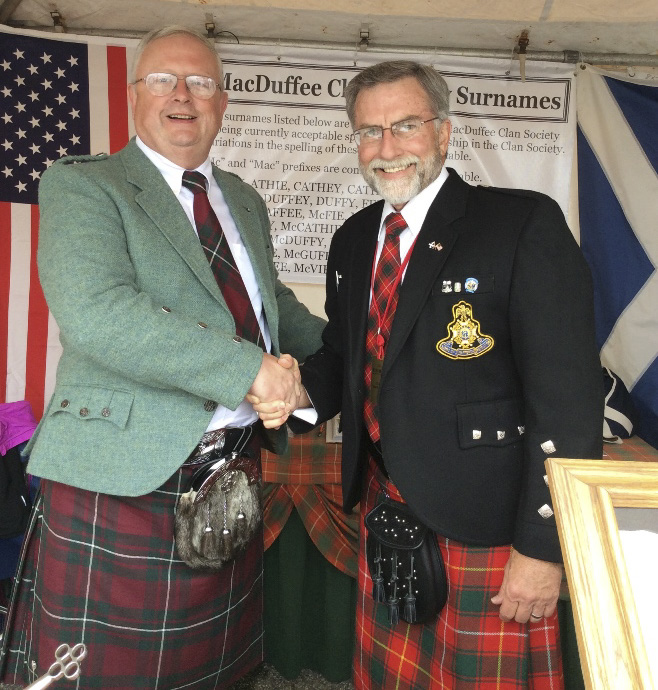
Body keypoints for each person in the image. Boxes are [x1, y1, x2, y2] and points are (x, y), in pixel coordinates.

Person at [251, 60, 603, 689]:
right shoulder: (353, 239)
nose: (387, 148)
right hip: (386, 506)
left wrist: (543, 546)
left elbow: (568, 399)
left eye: (406, 126)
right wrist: (298, 391)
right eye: (370, 131)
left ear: (443, 132)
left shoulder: (520, 224)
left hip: (489, 526)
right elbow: (344, 355)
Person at [0, 25, 325, 690]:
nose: (182, 95)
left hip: (230, 475)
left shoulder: (243, 199)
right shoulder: (85, 185)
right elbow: (100, 313)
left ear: (222, 102)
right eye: (162, 80)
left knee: (213, 673)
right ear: (133, 95)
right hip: (120, 479)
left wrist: (361, 360)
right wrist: (251, 371)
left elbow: (274, 308)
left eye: (200, 83)